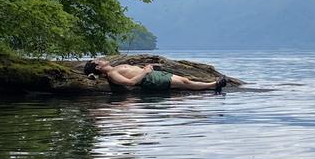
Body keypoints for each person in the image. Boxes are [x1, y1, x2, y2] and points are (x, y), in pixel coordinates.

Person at [84, 59, 228, 94]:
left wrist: (147, 68)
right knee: (185, 82)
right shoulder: (112, 73)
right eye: (98, 60)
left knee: (185, 80)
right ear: (98, 67)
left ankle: (212, 85)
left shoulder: (115, 68)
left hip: (153, 74)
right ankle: (214, 85)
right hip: (150, 79)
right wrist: (145, 72)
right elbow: (130, 82)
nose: (102, 58)